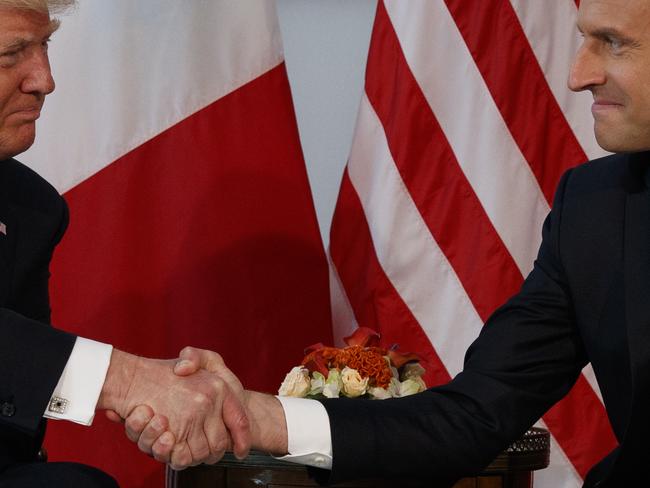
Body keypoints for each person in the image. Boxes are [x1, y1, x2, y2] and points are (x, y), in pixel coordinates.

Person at [127, 0, 650, 486]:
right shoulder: (595, 209)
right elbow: (471, 416)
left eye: (614, 43)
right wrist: (262, 417)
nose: (579, 75)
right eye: (583, 40)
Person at [0, 2, 250, 486]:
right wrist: (129, 382)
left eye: (44, 45)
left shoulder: (31, 207)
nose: (44, 80)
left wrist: (173, 395)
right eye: (12, 54)